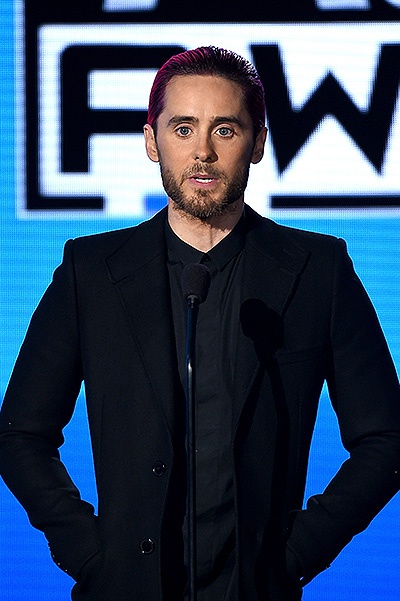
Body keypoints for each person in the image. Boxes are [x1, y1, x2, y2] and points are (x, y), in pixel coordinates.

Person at [0, 46, 399, 601]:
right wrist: (91, 554)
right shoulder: (89, 272)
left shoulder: (318, 270)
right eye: (183, 128)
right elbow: (21, 435)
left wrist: (294, 555)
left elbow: (386, 437)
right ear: (150, 140)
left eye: (226, 130)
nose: (203, 153)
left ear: (258, 143)